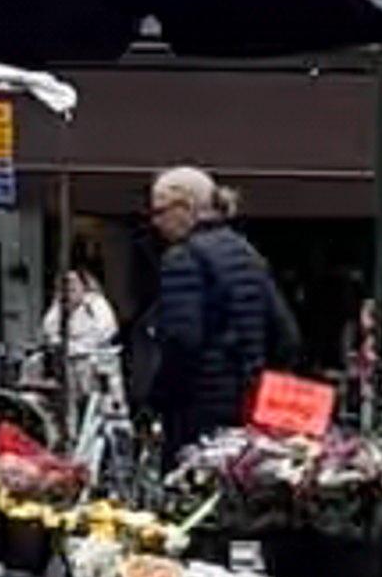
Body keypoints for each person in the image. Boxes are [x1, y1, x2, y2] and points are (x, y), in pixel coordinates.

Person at [134, 168, 290, 457]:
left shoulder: (182, 258)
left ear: (186, 207)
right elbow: (286, 337)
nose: (155, 223)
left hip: (197, 414)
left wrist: (156, 399)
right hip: (247, 410)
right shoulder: (248, 253)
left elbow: (182, 340)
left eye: (159, 211)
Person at [51, 241, 127, 477]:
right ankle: (72, 457)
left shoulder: (97, 305)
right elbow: (50, 331)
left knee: (104, 413)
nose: (69, 289)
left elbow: (105, 332)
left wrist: (75, 344)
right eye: (65, 285)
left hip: (97, 366)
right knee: (70, 415)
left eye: (73, 284)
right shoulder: (58, 307)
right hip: (69, 367)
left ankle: (110, 460)